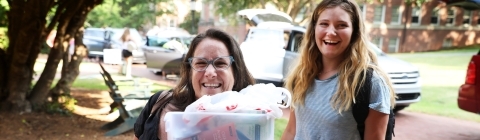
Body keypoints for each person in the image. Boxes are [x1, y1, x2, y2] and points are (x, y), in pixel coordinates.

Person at [281, 0, 396, 140]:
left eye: (341, 25)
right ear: (314, 29)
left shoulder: (371, 83)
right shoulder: (302, 75)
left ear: (354, 32)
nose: (331, 32)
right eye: (324, 24)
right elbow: (292, 131)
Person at [133, 28, 256, 140]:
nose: (210, 73)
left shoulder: (251, 121)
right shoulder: (160, 102)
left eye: (220, 63)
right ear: (190, 70)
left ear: (235, 71)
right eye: (201, 63)